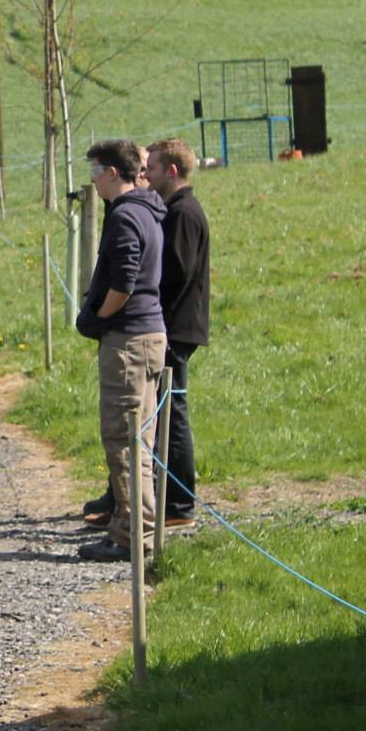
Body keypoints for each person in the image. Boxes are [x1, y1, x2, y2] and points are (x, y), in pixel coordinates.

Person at [73, 139, 167, 563]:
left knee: (124, 440)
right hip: (145, 337)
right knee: (138, 440)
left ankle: (131, 536)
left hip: (129, 340)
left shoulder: (127, 215)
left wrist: (98, 317)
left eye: (96, 172)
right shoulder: (144, 210)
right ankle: (137, 530)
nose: (92, 181)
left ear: (113, 173)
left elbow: (124, 281)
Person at [146, 137, 209, 526]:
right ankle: (165, 496)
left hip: (176, 326)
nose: (146, 174)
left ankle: (180, 504)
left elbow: (175, 273)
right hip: (172, 324)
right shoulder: (173, 210)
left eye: (152, 168)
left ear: (171, 170)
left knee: (173, 413)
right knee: (166, 411)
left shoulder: (183, 213)